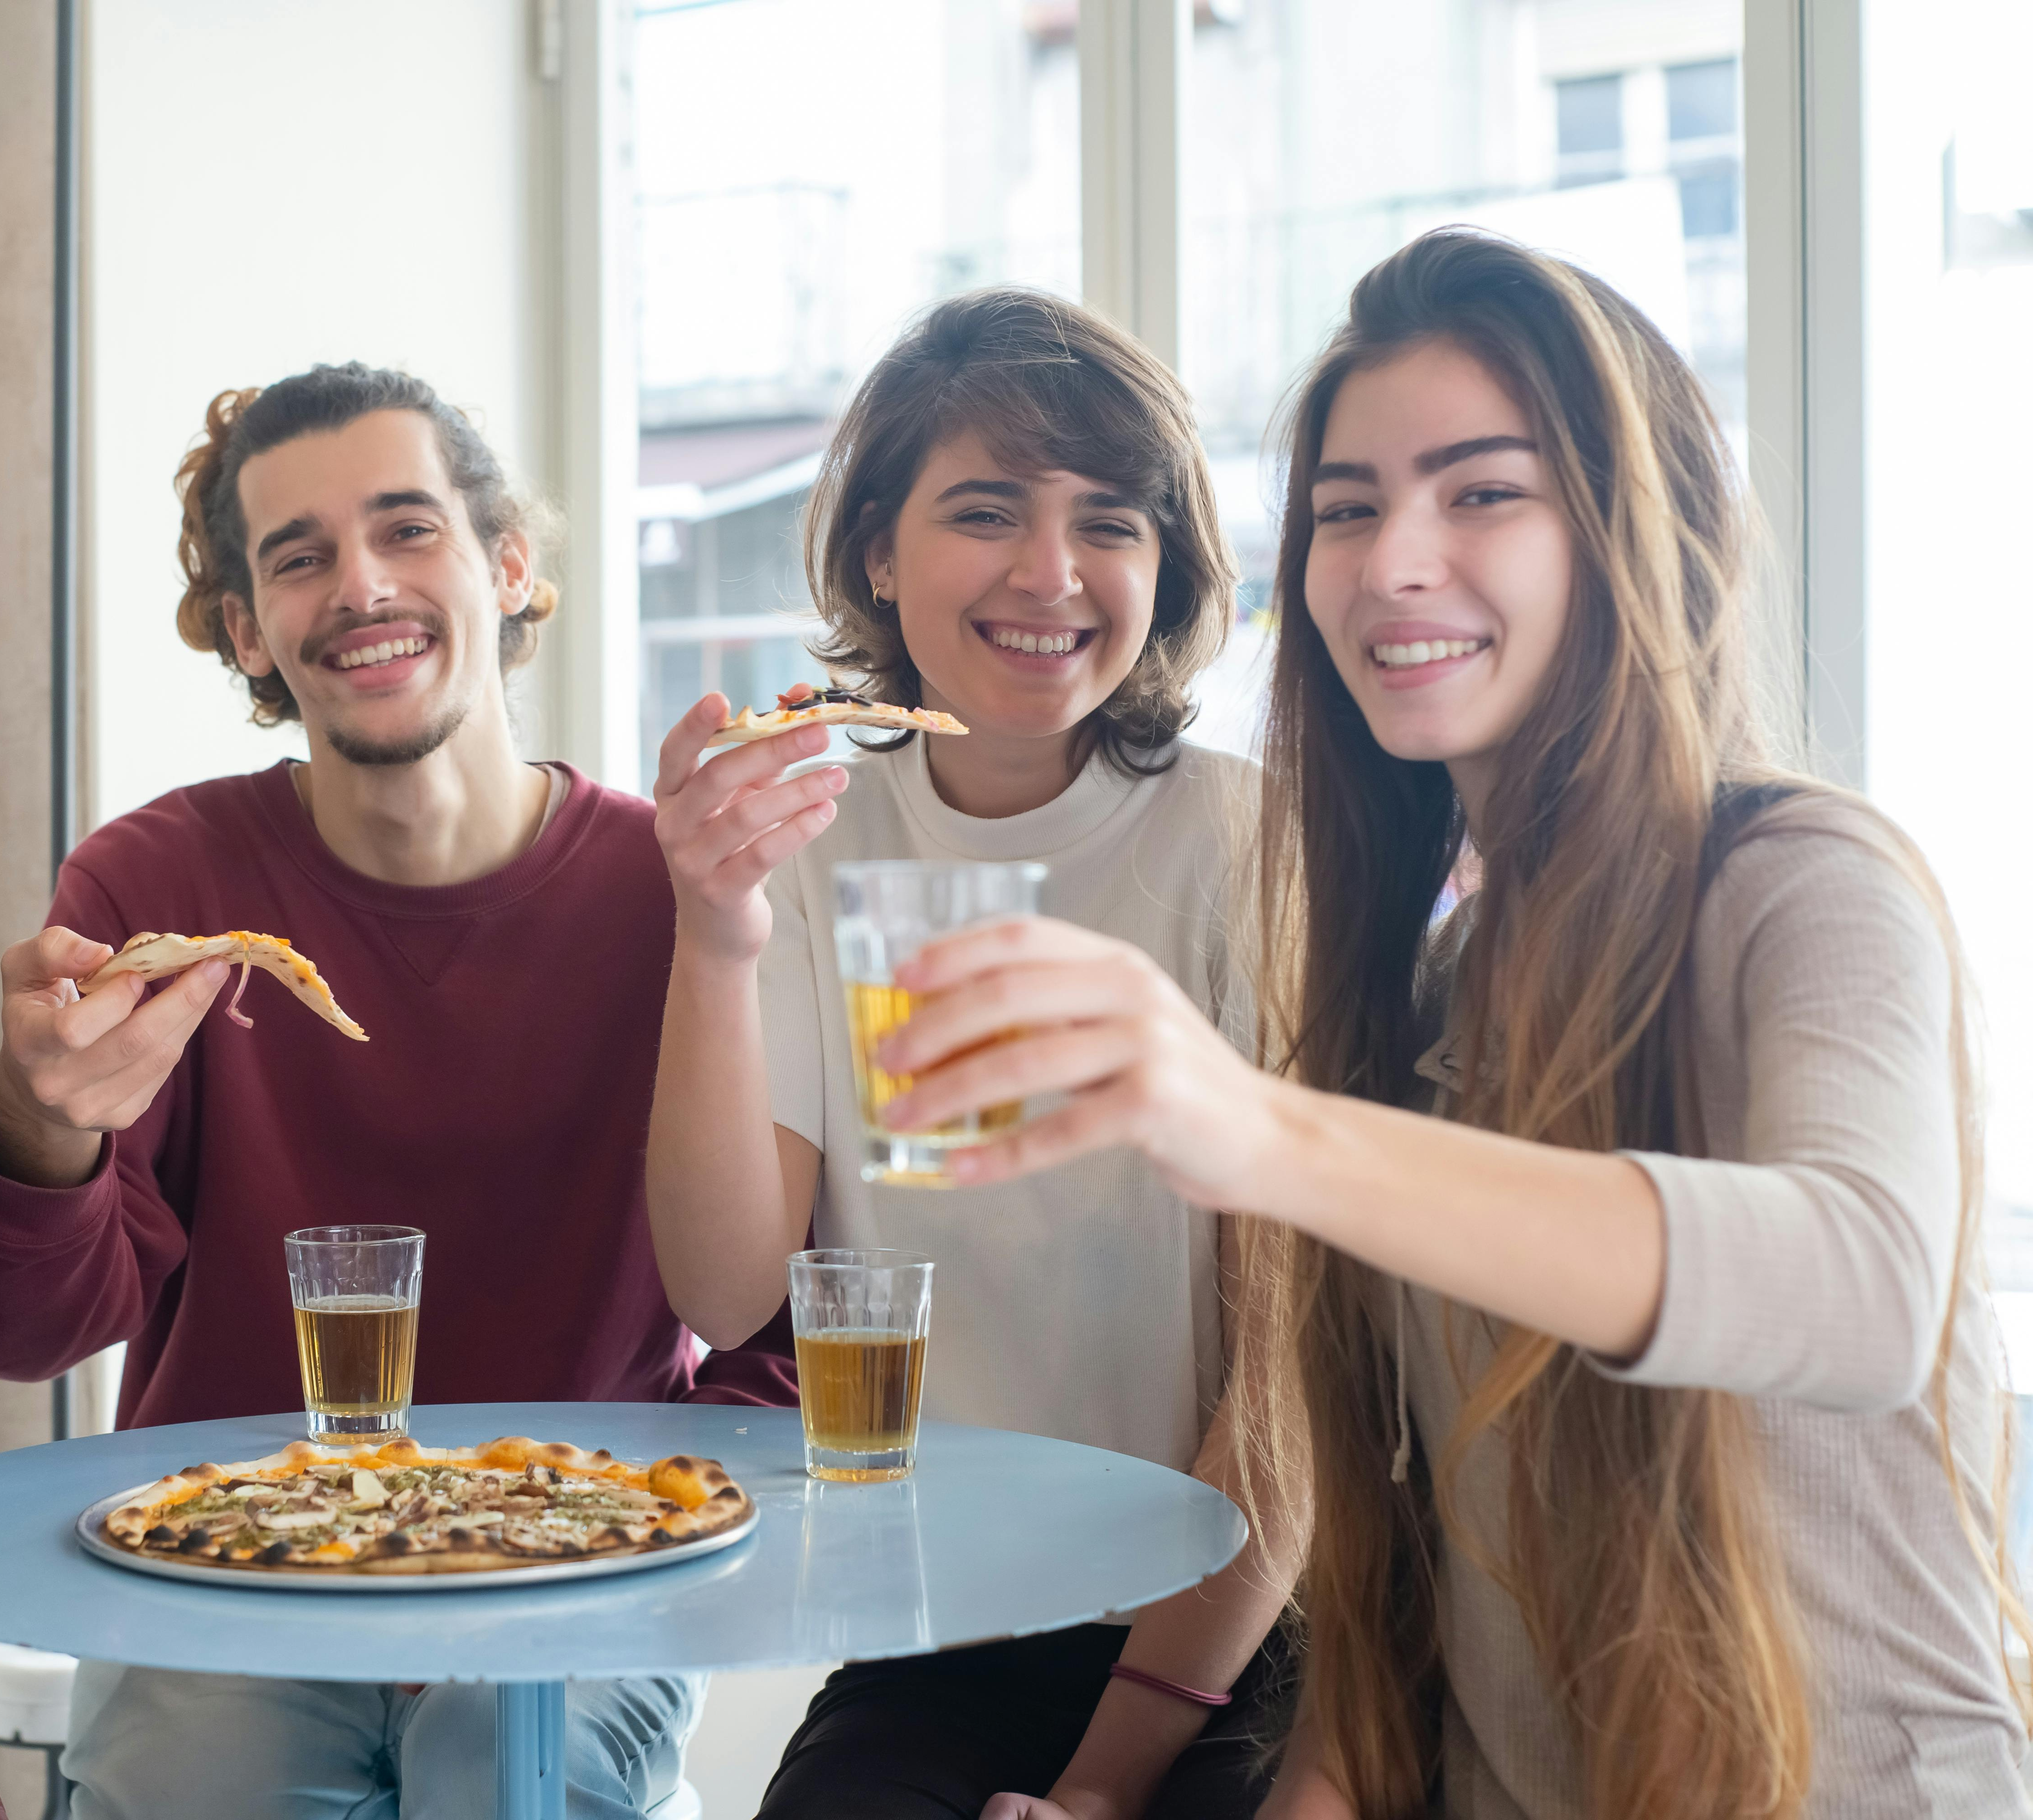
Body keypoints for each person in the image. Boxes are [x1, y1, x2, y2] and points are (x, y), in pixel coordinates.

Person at [871, 229, 2033, 1819]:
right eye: (1348, 510)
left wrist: (1262, 1130)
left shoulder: (1807, 882)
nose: (1392, 560)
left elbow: (1859, 1286)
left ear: (1644, 530)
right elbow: (1406, 1600)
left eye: (1483, 491)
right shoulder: (1422, 989)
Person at [0, 362, 796, 1820]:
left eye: (407, 529)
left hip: (580, 1558)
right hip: (232, 1558)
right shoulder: (161, 887)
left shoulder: (687, 893)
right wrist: (40, 1124)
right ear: (246, 631)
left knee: (494, 1767)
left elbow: (782, 1329)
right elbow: (24, 1334)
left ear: (507, 564)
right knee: (200, 1779)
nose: (360, 586)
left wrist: (623, 1537)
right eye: (298, 557)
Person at [645, 287, 1301, 1820]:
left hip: (1248, 1625)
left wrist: (1098, 1786)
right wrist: (710, 936)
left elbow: (1295, 1402)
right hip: (952, 1618)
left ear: (1168, 564)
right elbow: (726, 1291)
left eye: (1113, 522)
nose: (1050, 575)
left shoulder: (1250, 840)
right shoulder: (808, 831)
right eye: (986, 511)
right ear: (880, 549)